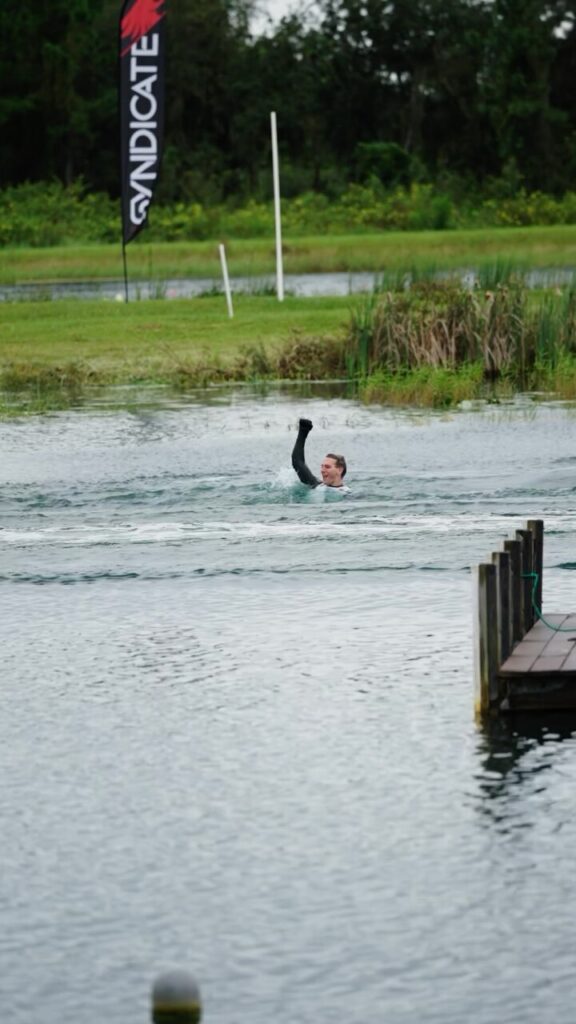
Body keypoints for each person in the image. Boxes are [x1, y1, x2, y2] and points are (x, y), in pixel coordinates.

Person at [291, 418, 348, 490]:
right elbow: (297, 462)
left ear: (340, 470)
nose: (322, 470)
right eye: (322, 466)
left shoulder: (347, 494)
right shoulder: (317, 485)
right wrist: (303, 431)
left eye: (327, 467)